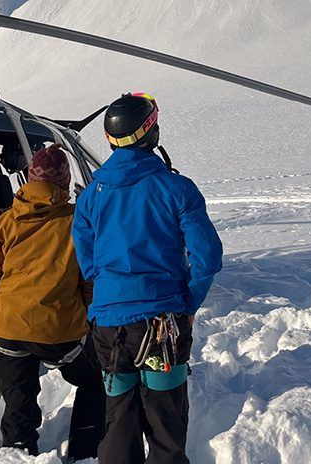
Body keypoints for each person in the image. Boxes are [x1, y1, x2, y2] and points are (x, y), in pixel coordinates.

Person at [73, 93, 223, 464]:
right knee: (165, 421)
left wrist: (110, 291)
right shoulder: (176, 188)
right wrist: (188, 302)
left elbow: (87, 259)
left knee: (118, 418)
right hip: (161, 328)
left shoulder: (91, 196)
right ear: (149, 133)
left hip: (109, 329)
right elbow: (207, 257)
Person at [0, 143, 105, 460]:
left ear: (30, 179)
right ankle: (85, 449)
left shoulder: (5, 222)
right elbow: (89, 280)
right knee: (94, 379)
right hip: (59, 332)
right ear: (64, 182)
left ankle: (19, 450)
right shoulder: (78, 222)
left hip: (7, 329)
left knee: (18, 399)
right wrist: (88, 318)